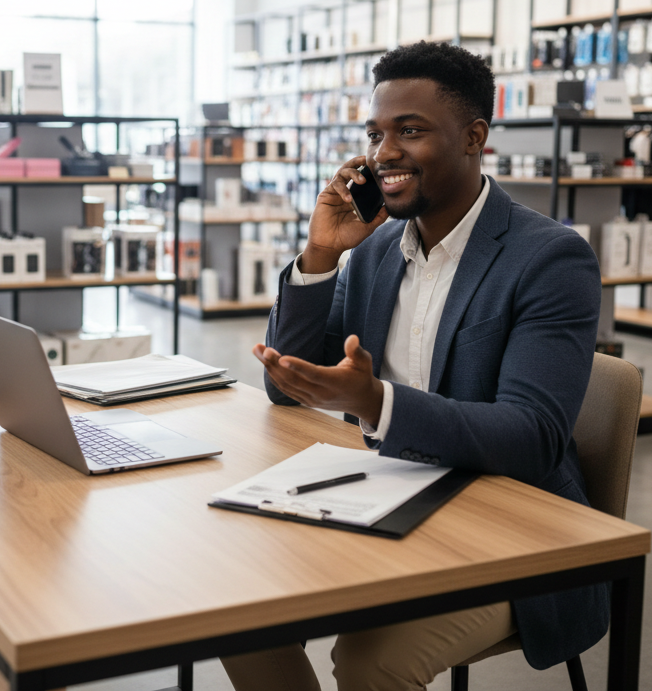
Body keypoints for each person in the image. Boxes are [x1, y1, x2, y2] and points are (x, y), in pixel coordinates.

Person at [222, 42, 608, 691]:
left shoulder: (549, 258)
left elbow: (532, 436)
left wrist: (378, 405)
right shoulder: (374, 251)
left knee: (373, 660)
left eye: (411, 130)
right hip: (389, 496)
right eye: (375, 134)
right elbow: (287, 386)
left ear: (473, 138)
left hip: (512, 527)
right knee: (234, 603)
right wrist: (320, 253)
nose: (383, 153)